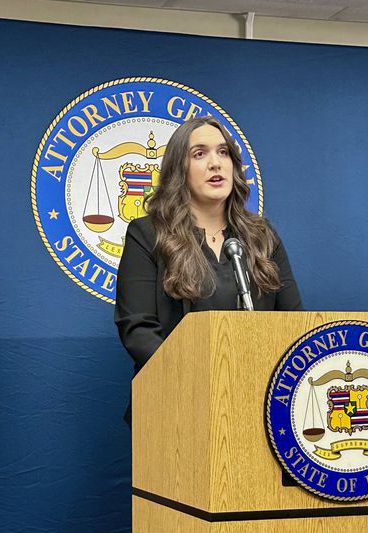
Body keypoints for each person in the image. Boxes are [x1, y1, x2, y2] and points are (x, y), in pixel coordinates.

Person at [114, 116, 304, 395]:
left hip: (256, 396)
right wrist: (202, 380)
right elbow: (139, 330)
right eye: (199, 153)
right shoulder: (148, 234)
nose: (215, 163)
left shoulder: (262, 236)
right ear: (179, 169)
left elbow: (293, 323)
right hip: (177, 398)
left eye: (223, 152)